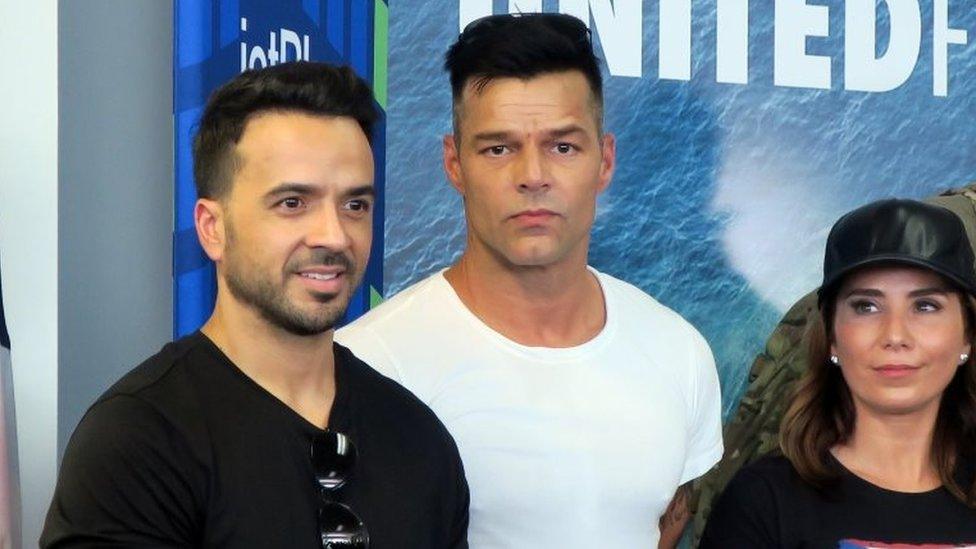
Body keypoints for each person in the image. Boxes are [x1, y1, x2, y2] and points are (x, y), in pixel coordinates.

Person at [41, 62, 469, 548]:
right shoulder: (139, 440)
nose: (333, 235)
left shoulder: (418, 439)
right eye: (292, 203)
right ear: (212, 228)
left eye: (355, 205)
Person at [335, 13, 723, 548]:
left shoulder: (680, 352)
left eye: (563, 146)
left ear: (605, 160)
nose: (533, 176)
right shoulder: (369, 365)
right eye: (499, 148)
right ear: (454, 163)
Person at [700, 198, 976, 547]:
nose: (895, 335)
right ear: (831, 336)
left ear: (967, 336)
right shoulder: (761, 504)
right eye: (866, 306)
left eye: (925, 306)